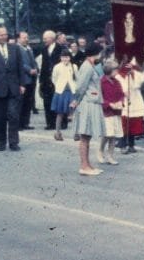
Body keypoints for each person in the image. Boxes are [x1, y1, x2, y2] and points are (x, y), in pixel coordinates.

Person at [70, 43, 105, 176]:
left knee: (87, 135)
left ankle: (87, 165)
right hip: (87, 104)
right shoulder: (87, 67)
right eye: (100, 53)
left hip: (91, 102)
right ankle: (84, 166)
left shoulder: (90, 66)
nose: (101, 56)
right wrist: (76, 101)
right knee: (85, 136)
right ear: (95, 53)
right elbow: (80, 87)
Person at [116, 58, 144, 154]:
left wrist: (133, 72)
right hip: (124, 100)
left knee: (133, 124)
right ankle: (123, 145)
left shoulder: (135, 73)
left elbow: (139, 83)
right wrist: (124, 91)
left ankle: (131, 144)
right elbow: (119, 86)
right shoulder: (118, 75)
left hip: (135, 99)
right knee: (124, 124)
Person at [100, 59, 124, 166]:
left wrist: (120, 102)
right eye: (115, 70)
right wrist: (109, 104)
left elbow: (121, 94)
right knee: (107, 134)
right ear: (109, 70)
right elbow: (99, 97)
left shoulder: (117, 81)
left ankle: (110, 155)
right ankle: (100, 150)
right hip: (106, 112)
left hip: (116, 112)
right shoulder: (101, 82)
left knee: (113, 135)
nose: (117, 72)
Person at [50, 48, 77, 141]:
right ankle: (57, 132)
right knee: (60, 113)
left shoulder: (74, 66)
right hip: (61, 92)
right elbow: (54, 78)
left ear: (70, 58)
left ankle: (76, 133)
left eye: (67, 57)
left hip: (71, 92)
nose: (65, 59)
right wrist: (59, 86)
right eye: (63, 57)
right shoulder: (57, 67)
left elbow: (76, 79)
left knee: (74, 113)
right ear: (60, 58)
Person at [39, 30, 62, 131]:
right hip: (46, 80)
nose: (43, 40)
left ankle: (61, 123)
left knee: (59, 101)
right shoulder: (44, 49)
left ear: (52, 38)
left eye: (45, 38)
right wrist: (41, 81)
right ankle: (50, 123)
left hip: (58, 79)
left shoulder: (60, 49)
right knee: (47, 102)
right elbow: (43, 65)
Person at [17, 31, 37, 130]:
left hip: (31, 79)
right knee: (21, 102)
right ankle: (19, 124)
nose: (26, 39)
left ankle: (26, 123)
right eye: (24, 37)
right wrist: (29, 70)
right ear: (18, 39)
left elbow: (33, 61)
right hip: (23, 79)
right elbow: (20, 63)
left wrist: (36, 68)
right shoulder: (17, 49)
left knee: (28, 102)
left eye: (27, 37)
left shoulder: (29, 49)